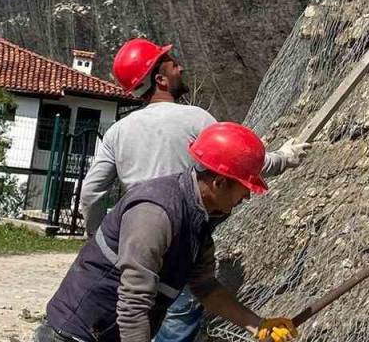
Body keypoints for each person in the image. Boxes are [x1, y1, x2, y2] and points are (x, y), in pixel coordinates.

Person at [78, 39, 309, 342]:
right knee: (174, 320)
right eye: (172, 63)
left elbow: (91, 193)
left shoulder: (119, 131)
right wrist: (285, 158)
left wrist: (104, 242)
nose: (180, 67)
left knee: (133, 316)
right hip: (184, 242)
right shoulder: (195, 119)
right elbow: (234, 162)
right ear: (160, 79)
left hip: (136, 242)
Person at [38, 122, 299, 342]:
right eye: (245, 188)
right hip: (73, 335)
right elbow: (133, 305)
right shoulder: (156, 214)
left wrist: (259, 325)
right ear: (219, 182)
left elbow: (204, 286)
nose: (247, 197)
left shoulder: (200, 215)